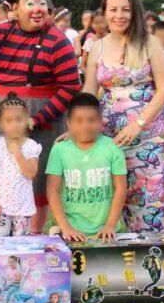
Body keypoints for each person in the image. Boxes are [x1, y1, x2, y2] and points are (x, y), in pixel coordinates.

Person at [0, 0, 80, 235]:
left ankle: (33, 234)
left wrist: (37, 119)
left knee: (37, 180)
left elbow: (70, 86)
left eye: (42, 2)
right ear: (16, 8)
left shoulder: (58, 41)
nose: (38, 8)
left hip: (41, 118)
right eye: (31, 2)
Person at [83, 0, 164, 232]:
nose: (119, 15)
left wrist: (139, 124)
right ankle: (122, 257)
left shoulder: (150, 43)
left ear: (135, 13)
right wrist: (77, 126)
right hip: (110, 136)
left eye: (126, 9)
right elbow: (89, 92)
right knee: (118, 193)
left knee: (148, 197)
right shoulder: (97, 48)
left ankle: (155, 256)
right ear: (104, 13)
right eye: (113, 9)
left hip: (150, 136)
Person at [46, 92, 127, 240]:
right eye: (79, 120)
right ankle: (57, 229)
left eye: (91, 120)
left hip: (106, 231)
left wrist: (109, 225)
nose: (85, 126)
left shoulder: (112, 147)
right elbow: (52, 190)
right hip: (72, 231)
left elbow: (120, 188)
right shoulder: (59, 149)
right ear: (68, 123)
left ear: (101, 122)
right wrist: (66, 228)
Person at [0, 93, 41, 237]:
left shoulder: (31, 146)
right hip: (0, 204)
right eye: (8, 121)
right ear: (1, 123)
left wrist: (18, 154)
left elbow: (31, 173)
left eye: (19, 120)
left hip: (22, 206)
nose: (14, 125)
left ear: (27, 120)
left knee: (20, 245)